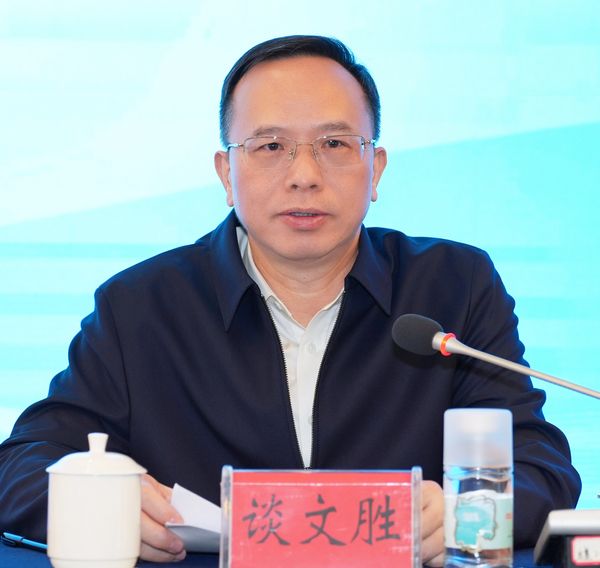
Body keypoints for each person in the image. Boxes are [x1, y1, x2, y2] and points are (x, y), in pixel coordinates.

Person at [0, 35, 580, 564]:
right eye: (271, 145)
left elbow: (541, 466)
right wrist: (98, 504)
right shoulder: (141, 306)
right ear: (226, 172)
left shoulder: (454, 286)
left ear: (375, 168)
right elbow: (23, 465)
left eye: (334, 143)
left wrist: (464, 511)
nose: (304, 174)